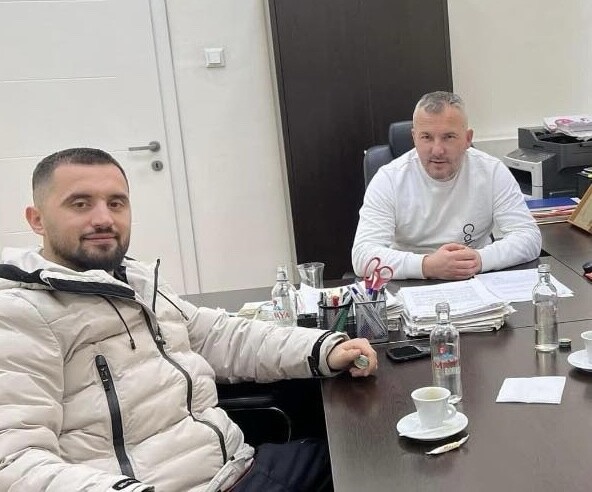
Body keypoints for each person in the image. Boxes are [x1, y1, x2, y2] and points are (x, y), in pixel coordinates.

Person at [0, 148, 378, 492]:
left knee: (369, 459)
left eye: (116, 203)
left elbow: (217, 335)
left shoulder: (136, 282)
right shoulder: (21, 314)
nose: (103, 219)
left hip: (237, 468)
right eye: (80, 204)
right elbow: (14, 461)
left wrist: (322, 347)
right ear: (37, 220)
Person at [352, 91, 541, 280]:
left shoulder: (492, 171)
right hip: (411, 283)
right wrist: (426, 265)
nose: (437, 150)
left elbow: (529, 237)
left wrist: (479, 259)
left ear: (467, 138)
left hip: (475, 278)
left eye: (448, 137)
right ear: (414, 138)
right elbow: (362, 256)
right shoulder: (389, 179)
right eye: (426, 137)